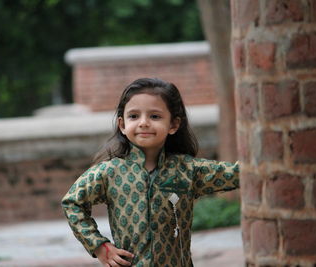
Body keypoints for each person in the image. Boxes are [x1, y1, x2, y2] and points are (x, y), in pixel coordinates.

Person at [61, 77, 239, 267]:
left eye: (155, 116)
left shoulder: (188, 170)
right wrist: (99, 246)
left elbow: (239, 173)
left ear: (173, 125)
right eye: (134, 116)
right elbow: (72, 202)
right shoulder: (109, 172)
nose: (143, 123)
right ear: (122, 125)